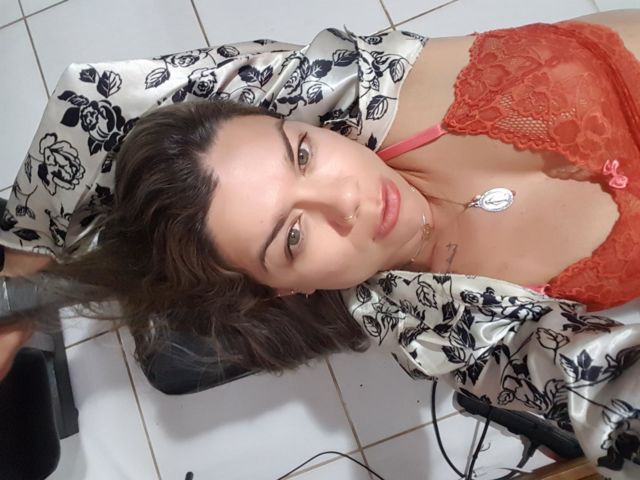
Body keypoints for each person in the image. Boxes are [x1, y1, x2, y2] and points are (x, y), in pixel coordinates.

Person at [1, 9, 639, 478]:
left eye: (302, 155)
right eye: (293, 236)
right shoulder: (451, 325)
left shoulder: (353, 88)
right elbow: (597, 390)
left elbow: (93, 104)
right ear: (288, 289)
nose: (346, 199)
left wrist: (18, 297)